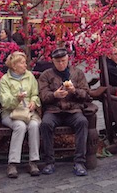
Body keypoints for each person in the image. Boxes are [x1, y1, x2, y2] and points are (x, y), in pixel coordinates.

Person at [38, 47, 93, 177]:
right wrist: (54, 95)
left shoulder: (77, 73)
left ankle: (79, 162)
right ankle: (49, 161)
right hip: (53, 110)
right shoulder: (46, 75)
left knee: (82, 122)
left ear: (68, 59)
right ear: (53, 61)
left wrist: (74, 91)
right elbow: (43, 95)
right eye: (58, 61)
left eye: (63, 61)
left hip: (73, 110)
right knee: (46, 124)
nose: (61, 64)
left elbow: (86, 94)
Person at [0, 51, 42, 178]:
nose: (25, 65)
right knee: (20, 126)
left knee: (34, 125)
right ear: (14, 65)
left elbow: (35, 94)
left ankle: (33, 161)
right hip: (11, 113)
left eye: (25, 62)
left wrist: (33, 102)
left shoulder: (29, 76)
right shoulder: (5, 80)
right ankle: (12, 163)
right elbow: (5, 102)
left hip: (28, 112)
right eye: (22, 63)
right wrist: (16, 99)